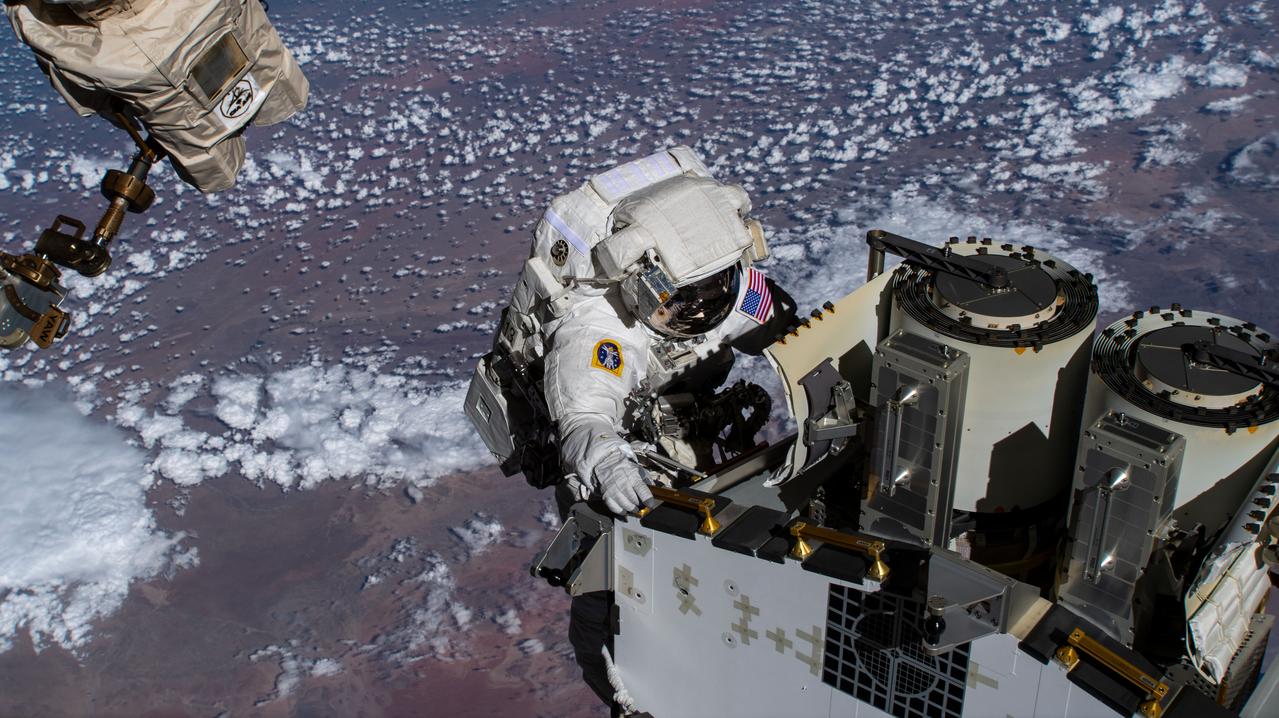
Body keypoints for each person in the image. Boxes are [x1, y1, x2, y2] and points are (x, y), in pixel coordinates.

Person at [466, 146, 794, 712]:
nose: (699, 314)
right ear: (642, 283)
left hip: (681, 428)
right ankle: (630, 696)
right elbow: (585, 418)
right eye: (682, 303)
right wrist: (608, 463)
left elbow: (787, 328)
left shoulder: (723, 286)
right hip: (616, 462)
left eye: (714, 294)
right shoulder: (598, 331)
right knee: (613, 597)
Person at [4, 0, 308, 192]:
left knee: (212, 163)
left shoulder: (108, 61)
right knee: (267, 75)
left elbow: (52, 43)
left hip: (133, 62)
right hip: (210, 17)